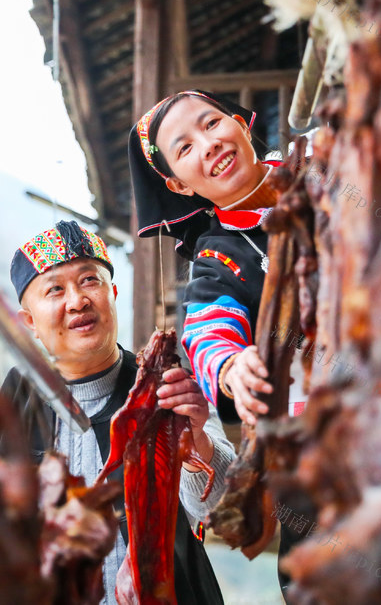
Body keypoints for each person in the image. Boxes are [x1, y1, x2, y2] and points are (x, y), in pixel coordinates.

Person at [0, 220, 235, 605]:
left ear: (113, 293)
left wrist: (196, 440)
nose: (77, 301)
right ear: (29, 322)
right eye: (55, 289)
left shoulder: (167, 386)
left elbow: (222, 509)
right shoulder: (5, 407)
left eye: (89, 281)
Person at [127, 90, 311, 598]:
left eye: (211, 123)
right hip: (317, 456)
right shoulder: (216, 262)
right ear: (177, 185)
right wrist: (232, 367)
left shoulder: (322, 169)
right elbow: (207, 331)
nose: (208, 144)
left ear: (240, 123)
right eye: (184, 148)